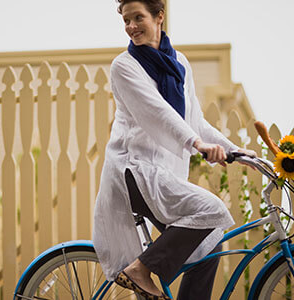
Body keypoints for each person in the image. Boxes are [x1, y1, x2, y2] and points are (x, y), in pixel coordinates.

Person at [93, 1, 256, 299]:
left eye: (137, 18)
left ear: (159, 16)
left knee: (210, 243)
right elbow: (158, 113)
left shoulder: (179, 61)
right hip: (134, 173)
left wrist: (236, 151)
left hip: (163, 174)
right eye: (126, 20)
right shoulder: (125, 66)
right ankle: (139, 270)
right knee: (213, 209)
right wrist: (196, 144)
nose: (131, 27)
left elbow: (194, 120)